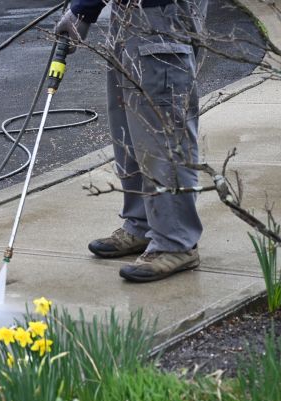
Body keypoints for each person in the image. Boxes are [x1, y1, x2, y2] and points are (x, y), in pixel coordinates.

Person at [55, 0, 208, 282]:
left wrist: (85, 7)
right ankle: (143, 224)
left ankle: (175, 241)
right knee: (129, 125)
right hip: (131, 13)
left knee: (161, 130)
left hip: (163, 14)